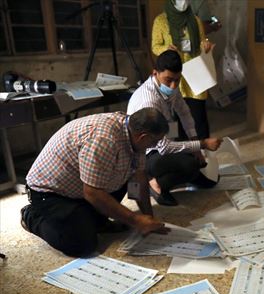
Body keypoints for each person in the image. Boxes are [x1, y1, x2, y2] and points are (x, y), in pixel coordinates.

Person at [20, 108, 171, 257]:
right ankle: (31, 216)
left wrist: (148, 218)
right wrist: (135, 220)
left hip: (83, 187)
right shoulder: (104, 139)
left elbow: (138, 178)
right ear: (142, 136)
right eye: (155, 141)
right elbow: (92, 192)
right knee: (82, 244)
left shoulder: (133, 133)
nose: (155, 145)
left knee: (126, 180)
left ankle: (95, 220)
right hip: (51, 193)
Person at [127, 50, 222, 206]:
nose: (173, 86)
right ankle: (154, 183)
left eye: (177, 81)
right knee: (190, 164)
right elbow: (163, 147)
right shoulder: (148, 101)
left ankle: (190, 174)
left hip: (163, 139)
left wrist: (195, 144)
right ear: (155, 73)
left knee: (197, 162)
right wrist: (202, 144)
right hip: (146, 152)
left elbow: (184, 113)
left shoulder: (171, 86)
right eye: (168, 80)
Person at [152, 0, 214, 139]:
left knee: (198, 114)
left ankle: (202, 149)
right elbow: (155, 47)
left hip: (195, 72)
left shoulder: (195, 20)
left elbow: (202, 41)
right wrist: (165, 49)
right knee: (176, 116)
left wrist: (206, 44)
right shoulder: (161, 21)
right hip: (173, 74)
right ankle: (182, 151)